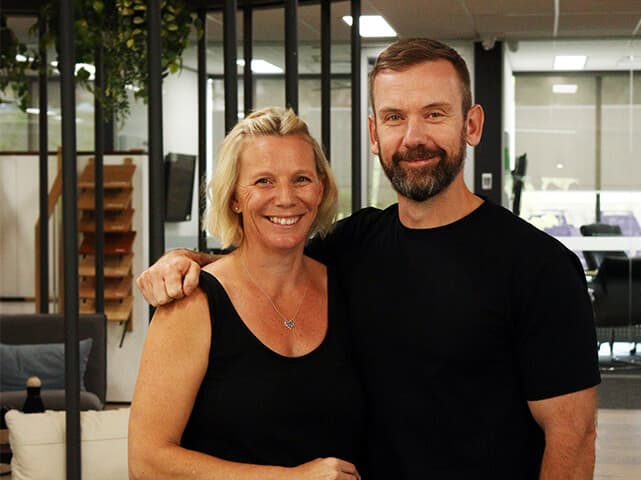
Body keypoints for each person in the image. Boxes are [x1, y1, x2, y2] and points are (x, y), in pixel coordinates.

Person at [136, 39, 600, 479]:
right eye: (395, 117)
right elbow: (265, 260)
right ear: (375, 134)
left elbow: (573, 438)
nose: (414, 137)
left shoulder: (541, 267)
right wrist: (184, 259)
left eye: (434, 114)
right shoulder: (355, 242)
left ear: (472, 124)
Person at [128, 107, 364, 479]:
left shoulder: (348, 286)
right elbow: (147, 462)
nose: (285, 198)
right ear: (235, 197)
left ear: (320, 189)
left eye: (301, 179)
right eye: (264, 181)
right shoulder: (194, 302)